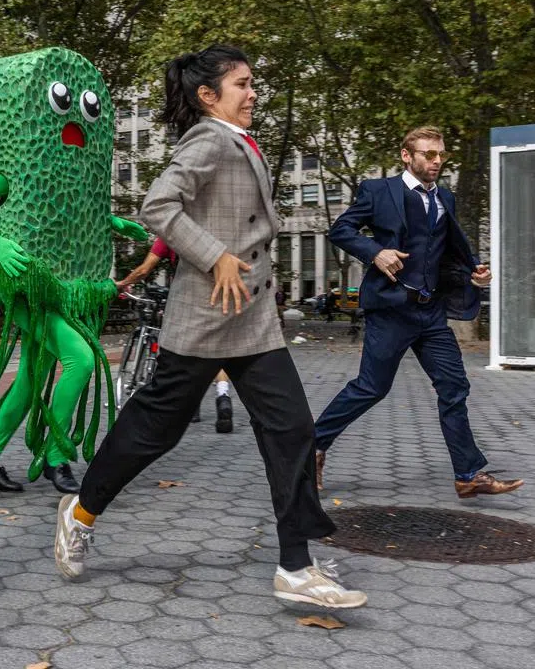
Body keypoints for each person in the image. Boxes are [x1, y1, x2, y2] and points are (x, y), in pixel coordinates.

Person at [53, 45, 367, 609]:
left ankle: (296, 566)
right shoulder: (209, 137)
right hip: (204, 316)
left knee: (292, 429)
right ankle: (80, 512)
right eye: (242, 84)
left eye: (253, 83)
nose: (253, 93)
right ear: (208, 96)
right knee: (155, 429)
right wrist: (214, 253)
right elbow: (158, 206)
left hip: (253, 319)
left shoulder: (240, 140)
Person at [314, 126, 523, 499]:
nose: (436, 161)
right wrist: (375, 252)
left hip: (431, 313)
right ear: (406, 155)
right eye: (428, 154)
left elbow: (444, 253)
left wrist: (473, 275)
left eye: (440, 154)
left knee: (454, 387)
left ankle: (468, 474)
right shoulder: (378, 191)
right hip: (392, 311)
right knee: (371, 388)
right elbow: (341, 229)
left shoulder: (445, 197)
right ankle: (312, 446)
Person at [116, 235, 235, 431]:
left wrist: (123, 283)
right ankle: (223, 398)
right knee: (216, 351)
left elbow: (145, 269)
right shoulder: (210, 230)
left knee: (188, 353)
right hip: (217, 295)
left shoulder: (170, 235)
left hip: (189, 299)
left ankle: (192, 406)